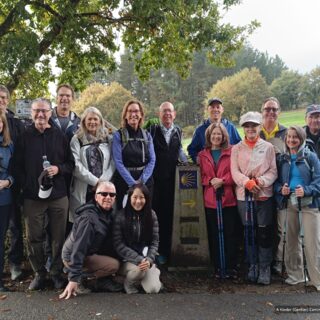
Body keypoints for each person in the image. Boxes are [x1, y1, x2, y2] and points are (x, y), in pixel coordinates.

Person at [14, 98, 74, 290]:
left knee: (58, 237)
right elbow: (16, 167)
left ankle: (56, 272)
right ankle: (39, 273)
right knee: (34, 237)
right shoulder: (23, 136)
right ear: (31, 113)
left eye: (44, 111)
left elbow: (71, 165)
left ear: (50, 113)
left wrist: (58, 169)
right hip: (33, 197)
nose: (40, 115)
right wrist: (28, 185)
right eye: (36, 111)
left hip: (58, 196)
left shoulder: (60, 136)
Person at [231, 111, 277, 285]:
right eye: (247, 126)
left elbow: (273, 171)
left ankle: (264, 266)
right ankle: (252, 265)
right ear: (243, 128)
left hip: (263, 195)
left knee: (264, 232)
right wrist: (247, 183)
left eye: (254, 125)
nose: (250, 129)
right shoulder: (237, 148)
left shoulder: (268, 147)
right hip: (244, 196)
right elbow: (234, 172)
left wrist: (259, 181)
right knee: (248, 231)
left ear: (259, 127)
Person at [275, 126, 320, 291]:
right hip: (290, 203)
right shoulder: (282, 159)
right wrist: (282, 189)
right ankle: (296, 276)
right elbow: (276, 183)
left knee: (312, 242)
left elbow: (319, 181)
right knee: (292, 241)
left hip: (309, 204)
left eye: (295, 137)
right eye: (289, 137)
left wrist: (306, 190)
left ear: (301, 139)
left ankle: (317, 280)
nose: (291, 140)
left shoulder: (311, 157)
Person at [60, 181, 122, 299]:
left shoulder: (108, 214)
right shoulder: (89, 219)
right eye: (103, 194)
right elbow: (79, 248)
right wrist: (74, 278)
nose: (108, 197)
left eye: (112, 195)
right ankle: (79, 278)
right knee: (114, 265)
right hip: (72, 256)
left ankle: (99, 280)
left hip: (90, 252)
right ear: (96, 197)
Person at [147, 102, 187, 264]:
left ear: (174, 114)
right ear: (159, 114)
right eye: (164, 111)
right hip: (155, 181)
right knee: (155, 217)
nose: (167, 114)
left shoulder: (178, 131)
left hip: (172, 182)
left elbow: (179, 151)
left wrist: (187, 162)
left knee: (170, 216)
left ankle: (168, 250)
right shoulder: (152, 131)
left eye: (170, 111)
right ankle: (155, 252)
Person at [198, 123, 238, 278]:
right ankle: (218, 267)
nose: (216, 137)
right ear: (209, 136)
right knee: (214, 234)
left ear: (223, 136)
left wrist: (223, 180)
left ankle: (231, 267)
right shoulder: (203, 155)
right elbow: (201, 175)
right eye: (213, 134)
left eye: (219, 134)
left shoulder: (231, 151)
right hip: (210, 199)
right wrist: (210, 181)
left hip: (227, 198)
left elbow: (235, 172)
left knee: (230, 234)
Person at [113, 183, 161, 294]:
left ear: (147, 199)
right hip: (127, 259)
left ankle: (151, 272)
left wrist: (149, 259)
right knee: (140, 270)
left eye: (142, 197)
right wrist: (138, 259)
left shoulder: (151, 215)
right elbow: (118, 244)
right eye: (135, 197)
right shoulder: (121, 216)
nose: (138, 201)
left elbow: (154, 241)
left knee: (153, 289)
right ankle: (128, 283)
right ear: (129, 198)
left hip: (145, 258)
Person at [69, 107, 115, 222]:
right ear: (84, 121)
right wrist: (95, 182)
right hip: (84, 190)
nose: (92, 122)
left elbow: (113, 162)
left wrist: (103, 182)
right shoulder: (77, 139)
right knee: (84, 225)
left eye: (95, 119)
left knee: (104, 224)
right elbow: (76, 165)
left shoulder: (108, 139)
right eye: (89, 119)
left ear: (100, 121)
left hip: (104, 189)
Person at [0, 85, 25, 281]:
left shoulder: (15, 124)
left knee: (15, 226)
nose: (1, 101)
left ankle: (15, 263)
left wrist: (11, 180)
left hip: (12, 184)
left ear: (8, 100)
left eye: (3, 98)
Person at [259, 97, 287, 274]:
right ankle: (265, 262)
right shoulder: (255, 131)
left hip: (282, 185)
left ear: (279, 112)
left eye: (274, 109)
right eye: (267, 109)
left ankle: (281, 261)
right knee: (265, 226)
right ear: (262, 111)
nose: (271, 112)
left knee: (283, 226)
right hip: (262, 186)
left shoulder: (285, 133)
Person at [112, 100, 155, 209]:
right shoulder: (119, 135)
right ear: (125, 115)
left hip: (145, 181)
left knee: (145, 213)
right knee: (124, 215)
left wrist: (142, 181)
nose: (133, 114)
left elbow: (152, 160)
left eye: (136, 111)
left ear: (141, 114)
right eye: (130, 111)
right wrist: (132, 183)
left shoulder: (147, 135)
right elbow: (118, 162)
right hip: (124, 182)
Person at [187, 97, 241, 163]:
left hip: (227, 168)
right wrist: (197, 159)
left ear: (222, 110)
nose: (215, 109)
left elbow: (239, 146)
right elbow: (192, 149)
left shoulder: (230, 127)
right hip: (207, 168)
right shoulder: (200, 130)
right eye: (212, 107)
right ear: (208, 110)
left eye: (218, 107)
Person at [0, 111, 14, 291]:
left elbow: (15, 171)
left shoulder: (9, 146)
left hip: (3, 198)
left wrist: (8, 181)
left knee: (0, 240)